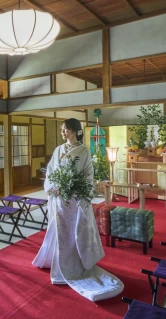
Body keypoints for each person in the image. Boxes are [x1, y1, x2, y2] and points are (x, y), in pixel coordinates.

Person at [32, 118, 124, 302]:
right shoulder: (58, 150)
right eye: (61, 130)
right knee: (60, 230)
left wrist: (75, 190)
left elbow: (88, 176)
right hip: (60, 198)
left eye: (65, 129)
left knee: (74, 230)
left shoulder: (84, 151)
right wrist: (54, 187)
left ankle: (75, 263)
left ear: (74, 131)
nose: (62, 132)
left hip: (75, 200)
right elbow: (50, 172)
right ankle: (57, 262)